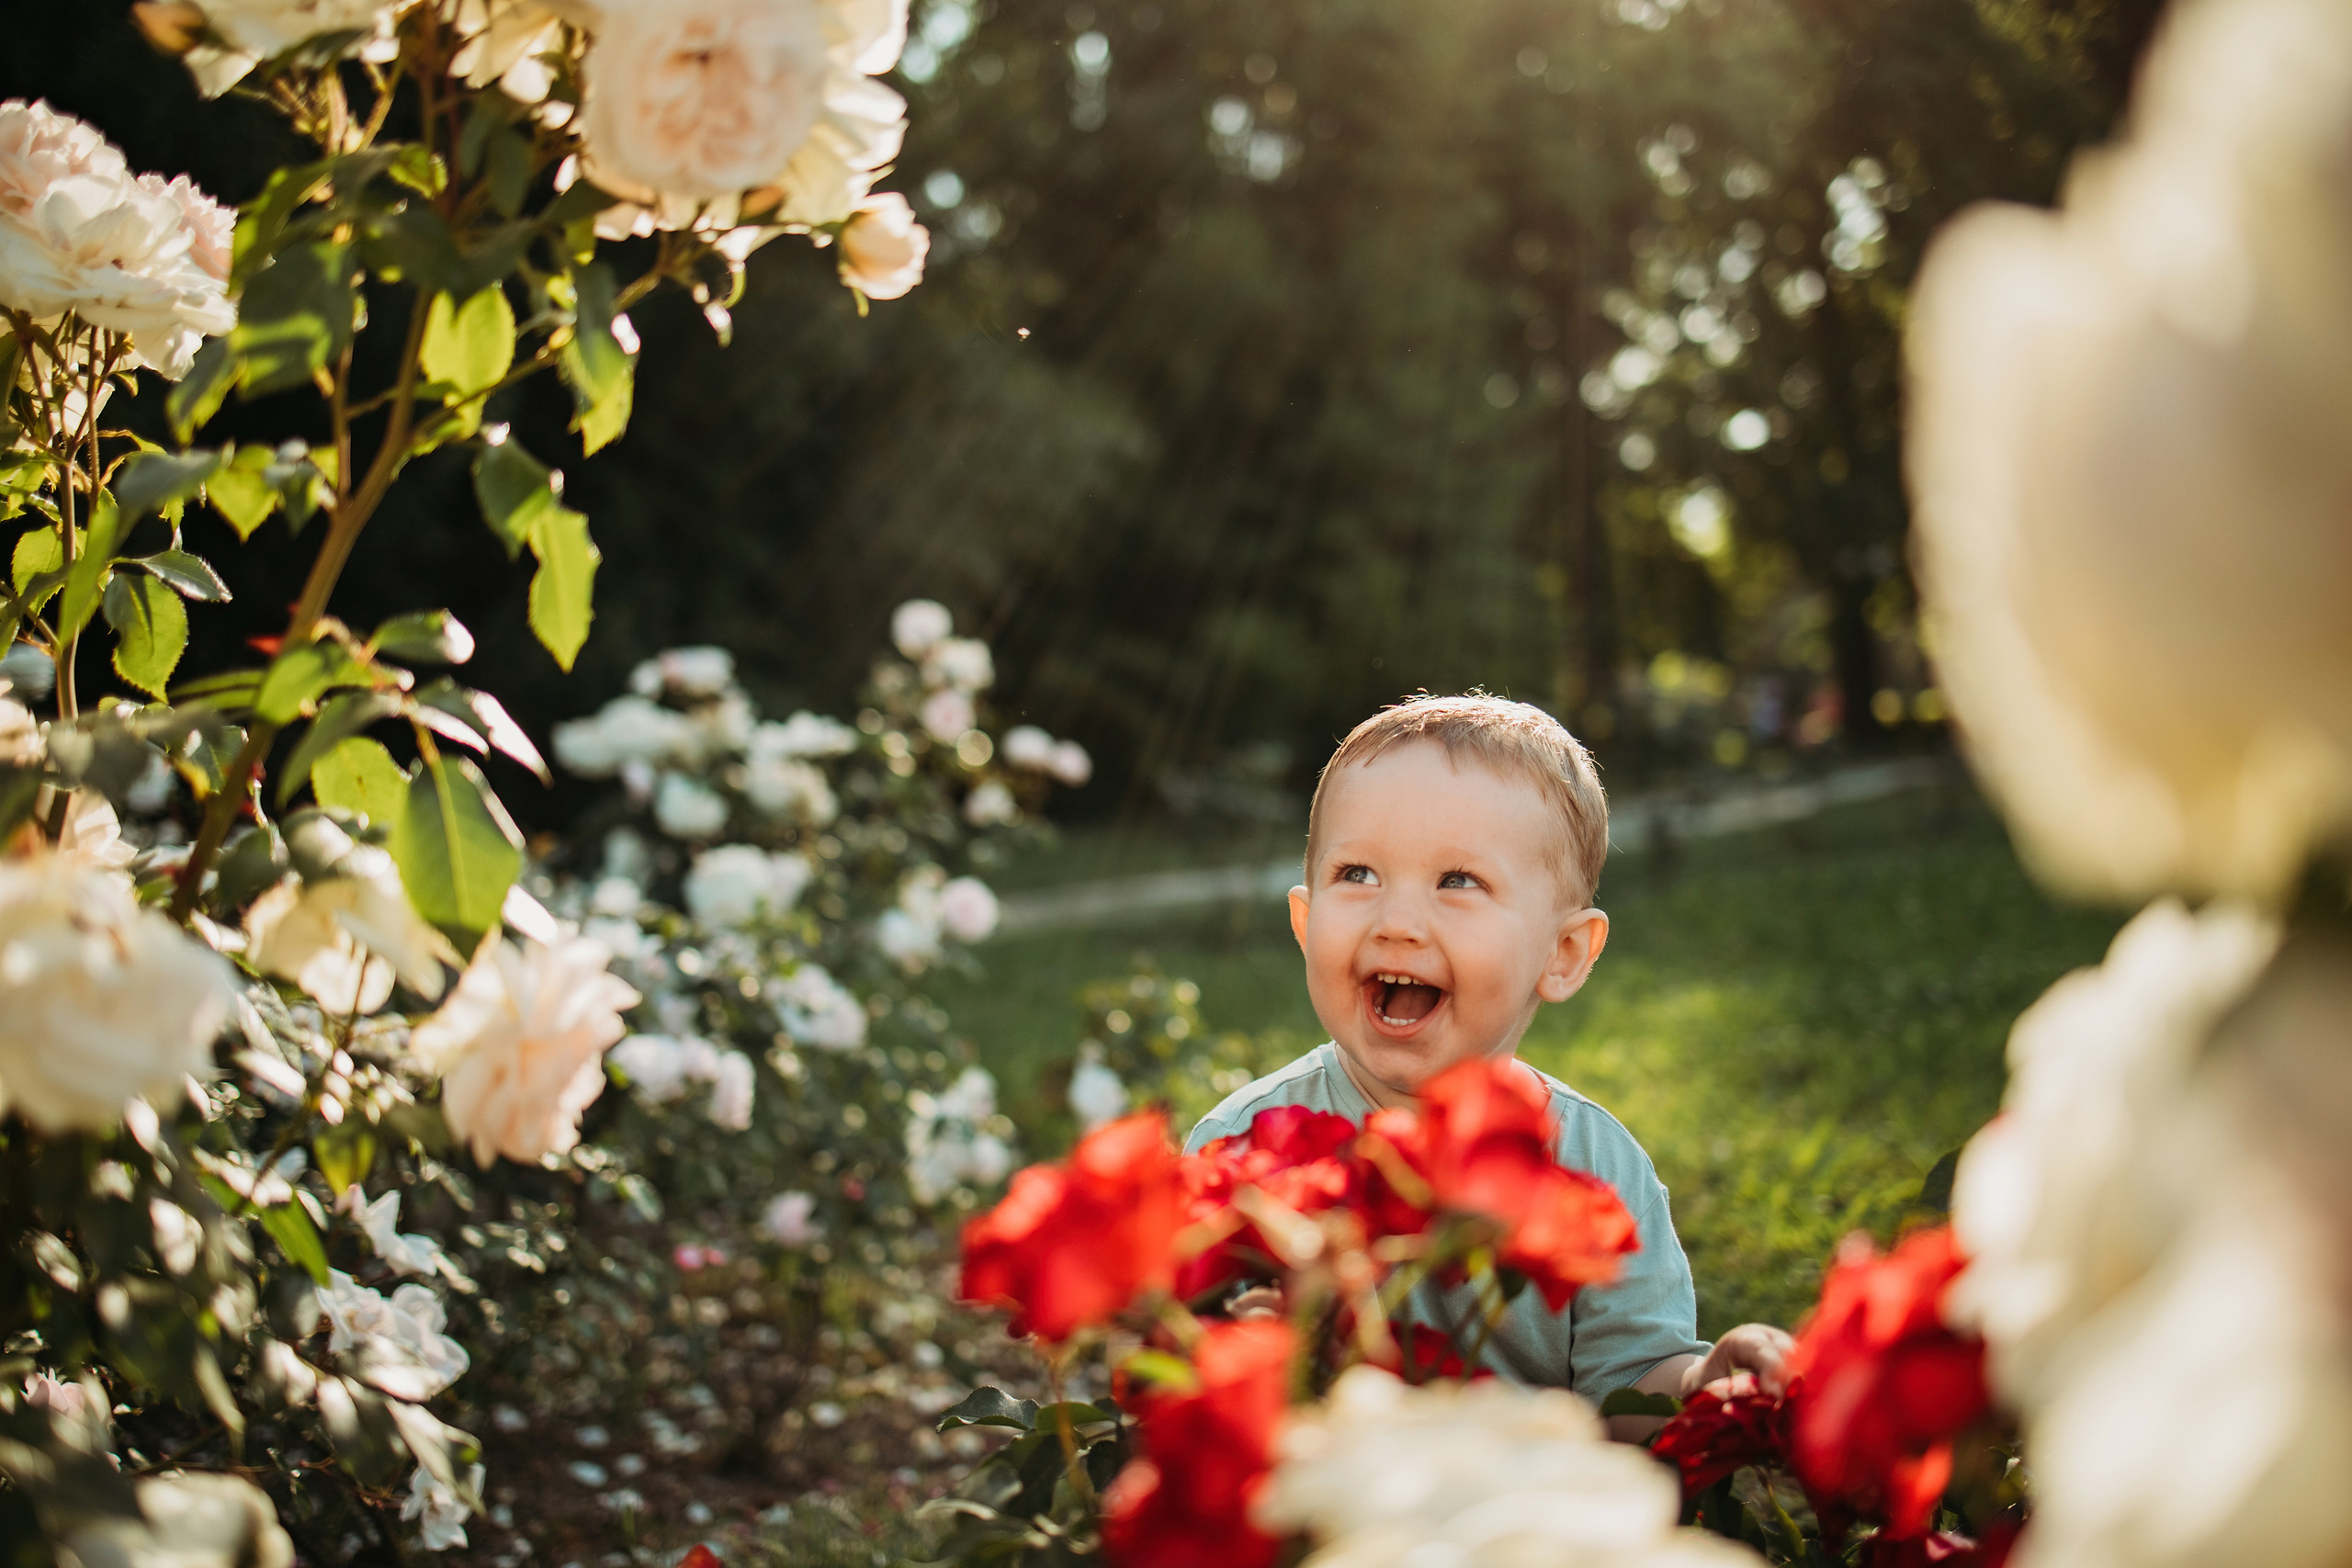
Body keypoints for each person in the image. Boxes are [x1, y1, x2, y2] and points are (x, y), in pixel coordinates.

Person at [1185, 694, 1792, 1437]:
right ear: (1306, 923)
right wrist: (1246, 1344)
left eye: (1458, 881)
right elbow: (1176, 1369)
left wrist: (1702, 1384)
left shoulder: (1596, 1165)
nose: (1397, 922)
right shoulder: (1245, 1144)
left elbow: (1630, 1390)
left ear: (1562, 953)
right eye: (1358, 872)